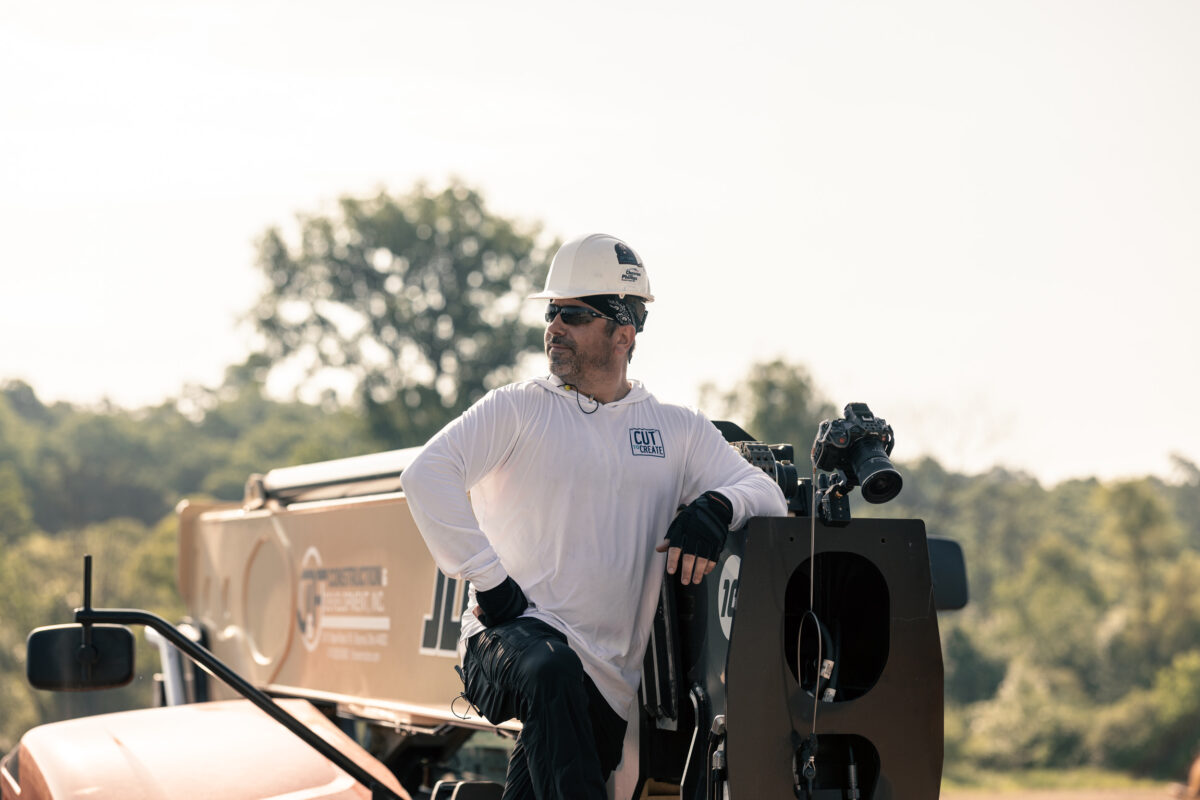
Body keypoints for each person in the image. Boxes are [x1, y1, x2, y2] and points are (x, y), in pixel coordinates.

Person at [400, 233, 787, 800]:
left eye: (575, 315)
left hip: (606, 686)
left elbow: (766, 494)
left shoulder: (675, 429)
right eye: (552, 312)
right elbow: (425, 476)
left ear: (623, 332)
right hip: (507, 641)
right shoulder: (517, 408)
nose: (555, 326)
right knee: (551, 670)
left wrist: (717, 506)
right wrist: (491, 581)